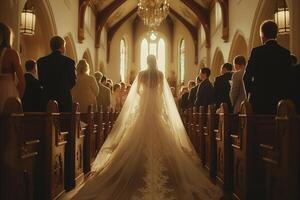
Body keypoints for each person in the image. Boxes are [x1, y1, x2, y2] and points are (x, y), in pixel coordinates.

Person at [73, 55, 221, 200]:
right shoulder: (160, 75)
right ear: (156, 62)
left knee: (133, 139)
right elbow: (163, 94)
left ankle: (135, 169)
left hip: (143, 110)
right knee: (163, 137)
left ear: (146, 62)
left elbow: (137, 92)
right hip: (156, 110)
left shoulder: (142, 75)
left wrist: (144, 96)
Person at [243, 20, 291, 114]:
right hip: (280, 103)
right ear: (276, 34)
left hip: (259, 101)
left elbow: (247, 76)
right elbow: (289, 78)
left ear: (262, 35)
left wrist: (251, 93)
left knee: (259, 127)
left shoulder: (257, 52)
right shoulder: (285, 53)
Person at [37, 36, 76, 112]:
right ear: (62, 46)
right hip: (64, 100)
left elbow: (41, 81)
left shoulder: (41, 61)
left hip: (47, 98)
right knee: (64, 123)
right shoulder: (69, 62)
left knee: (48, 122)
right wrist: (63, 88)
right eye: (64, 46)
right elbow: (73, 82)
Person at [0, 23, 25, 113]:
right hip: (8, 91)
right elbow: (22, 82)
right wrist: (18, 98)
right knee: (9, 124)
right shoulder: (11, 53)